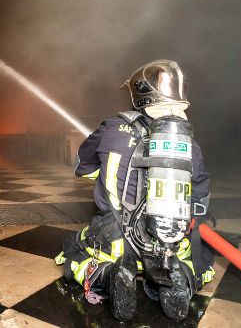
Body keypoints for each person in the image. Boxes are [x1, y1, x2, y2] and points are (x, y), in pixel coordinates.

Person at [54, 59, 215, 321]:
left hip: (116, 241)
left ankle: (107, 275)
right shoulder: (189, 145)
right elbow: (200, 199)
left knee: (74, 251)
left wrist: (108, 169)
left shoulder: (111, 129)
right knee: (202, 258)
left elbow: (81, 167)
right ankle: (177, 278)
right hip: (168, 245)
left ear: (140, 93)